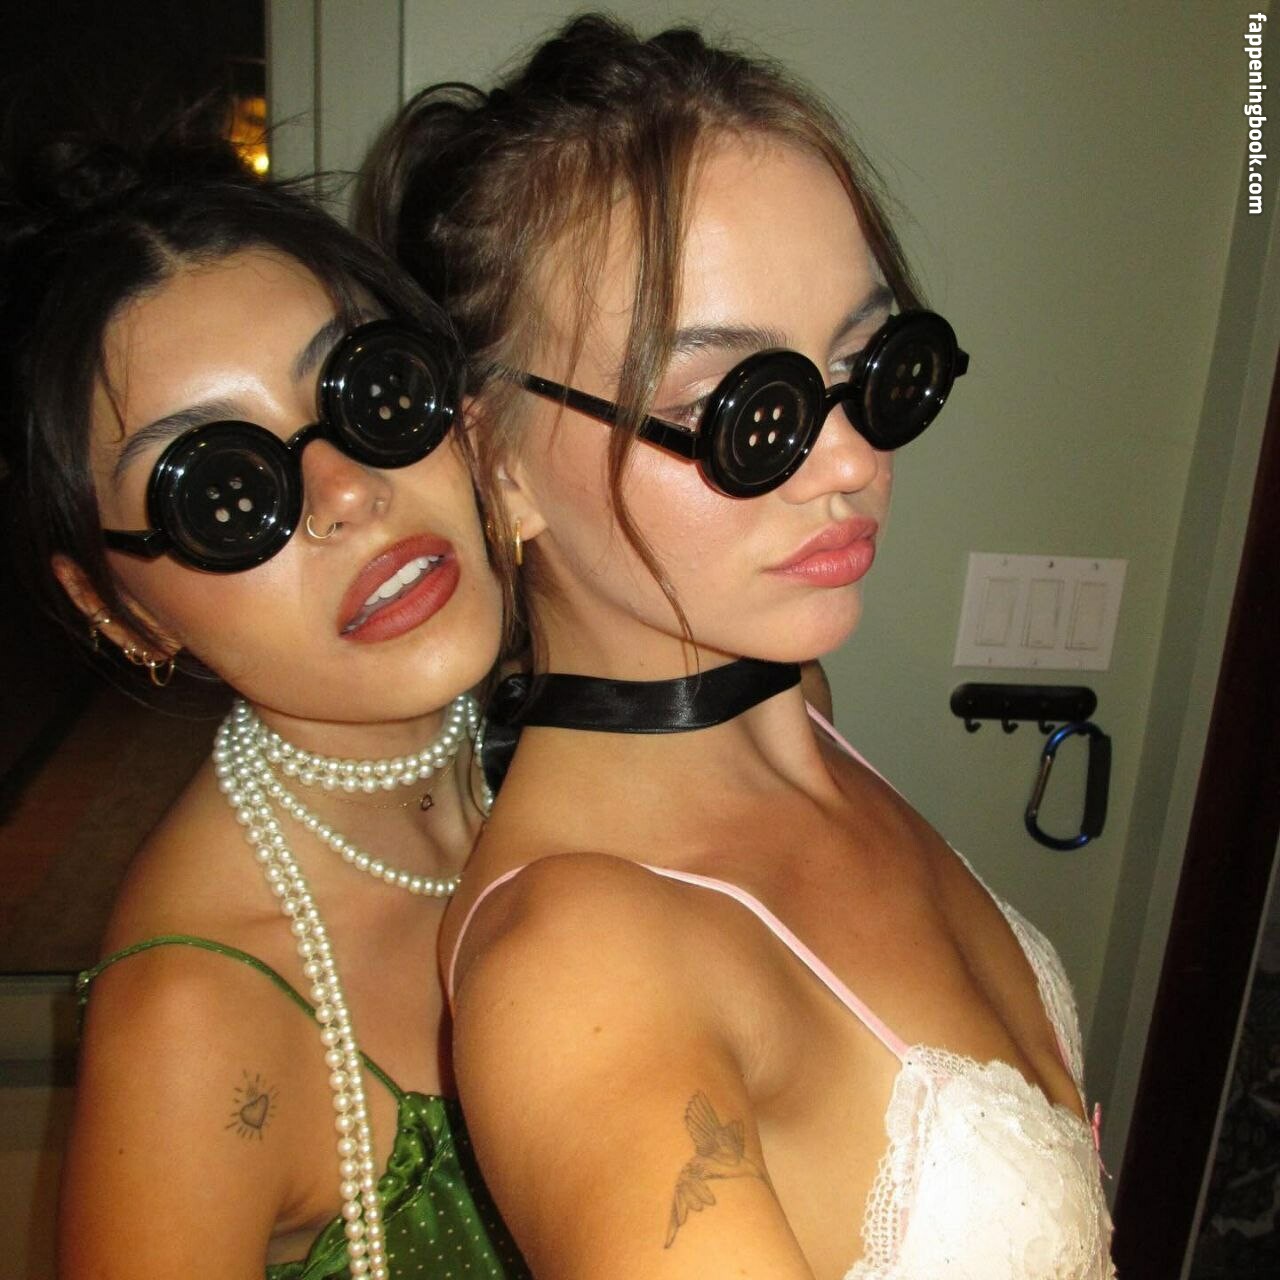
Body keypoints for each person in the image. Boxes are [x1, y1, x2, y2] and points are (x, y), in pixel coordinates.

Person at [360, 15, 1116, 1279]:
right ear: (495, 460)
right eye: (733, 408)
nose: (850, 460)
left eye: (868, 363)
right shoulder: (581, 962)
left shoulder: (795, 699)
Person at [0, 118, 528, 1278]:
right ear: (117, 609)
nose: (346, 489)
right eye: (222, 493)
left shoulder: (562, 740)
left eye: (368, 388)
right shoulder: (197, 1020)